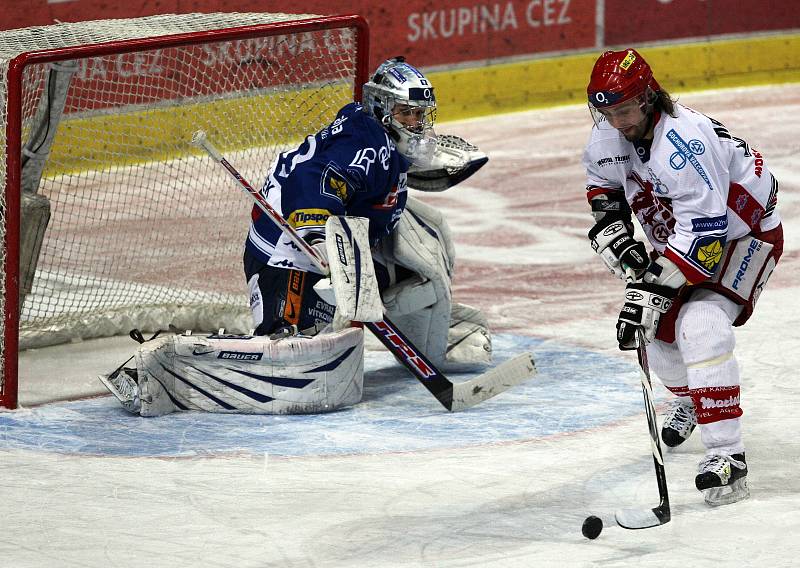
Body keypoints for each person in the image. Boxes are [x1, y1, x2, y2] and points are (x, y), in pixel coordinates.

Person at [100, 57, 492, 416]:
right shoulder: (365, 145)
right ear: (382, 111)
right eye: (408, 114)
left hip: (345, 250)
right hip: (287, 258)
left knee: (424, 246)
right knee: (288, 351)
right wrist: (323, 241)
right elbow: (312, 179)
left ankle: (424, 336)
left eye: (421, 114)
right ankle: (166, 361)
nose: (418, 124)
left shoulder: (380, 140)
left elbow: (375, 182)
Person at [582, 48, 783, 506]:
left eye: (625, 110)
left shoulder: (684, 143)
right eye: (605, 112)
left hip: (741, 235)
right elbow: (604, 193)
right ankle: (689, 401)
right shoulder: (608, 135)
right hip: (681, 233)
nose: (616, 122)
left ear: (650, 98)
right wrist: (626, 251)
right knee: (652, 324)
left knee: (701, 324)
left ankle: (728, 456)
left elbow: (706, 238)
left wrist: (651, 287)